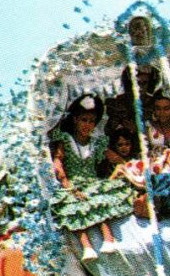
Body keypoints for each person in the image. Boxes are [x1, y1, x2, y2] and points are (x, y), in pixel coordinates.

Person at [48, 94, 136, 261]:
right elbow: (58, 163)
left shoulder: (97, 143)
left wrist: (124, 168)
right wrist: (67, 185)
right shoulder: (66, 140)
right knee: (71, 203)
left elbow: (117, 159)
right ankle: (87, 246)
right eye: (83, 120)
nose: (87, 125)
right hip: (72, 183)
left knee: (98, 196)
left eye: (91, 121)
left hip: (92, 182)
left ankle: (109, 239)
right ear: (75, 120)